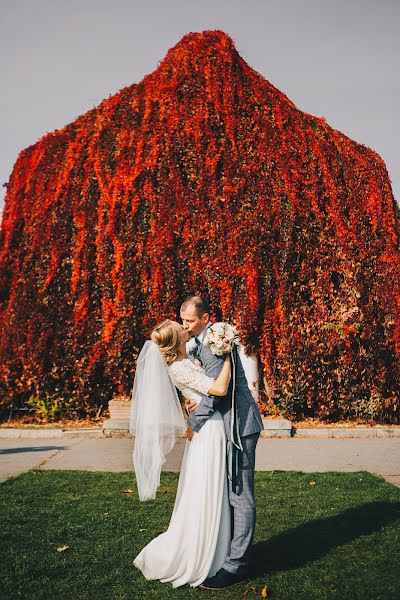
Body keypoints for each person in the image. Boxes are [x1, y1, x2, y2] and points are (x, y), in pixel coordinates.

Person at [130, 318, 233, 588]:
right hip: (208, 431)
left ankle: (216, 547)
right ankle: (200, 553)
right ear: (177, 342)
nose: (186, 330)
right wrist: (229, 358)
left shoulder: (185, 361)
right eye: (181, 329)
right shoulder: (179, 368)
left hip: (209, 427)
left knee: (209, 488)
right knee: (204, 490)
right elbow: (219, 388)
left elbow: (201, 392)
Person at [180, 295, 264, 590]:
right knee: (229, 493)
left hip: (239, 427)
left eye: (190, 321)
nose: (185, 326)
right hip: (226, 426)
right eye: (183, 320)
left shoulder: (214, 341)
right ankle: (228, 552)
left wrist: (194, 423)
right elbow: (210, 387)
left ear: (205, 319)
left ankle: (236, 565)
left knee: (240, 495)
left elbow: (219, 393)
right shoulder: (207, 340)